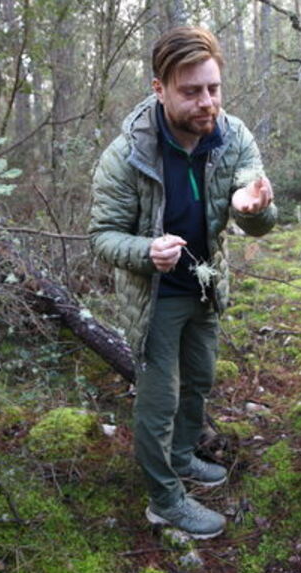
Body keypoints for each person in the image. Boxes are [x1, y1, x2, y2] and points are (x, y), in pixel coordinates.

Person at [88, 25, 277, 539]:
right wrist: (146, 252)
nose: (206, 102)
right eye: (191, 91)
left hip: (205, 287)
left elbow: (253, 201)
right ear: (159, 89)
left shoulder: (233, 136)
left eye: (213, 88)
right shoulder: (126, 155)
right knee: (159, 399)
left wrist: (253, 209)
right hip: (156, 297)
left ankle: (182, 458)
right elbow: (101, 236)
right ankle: (164, 500)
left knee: (199, 381)